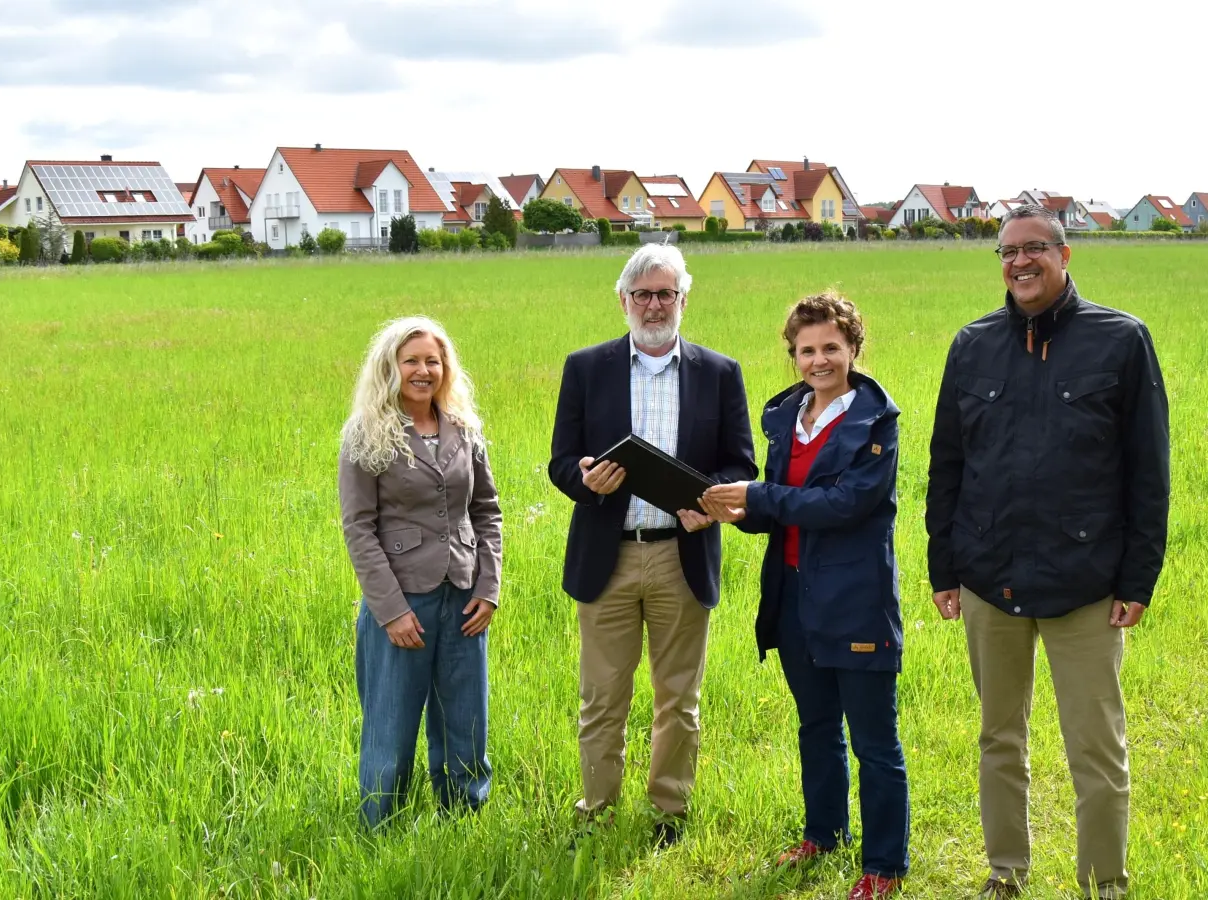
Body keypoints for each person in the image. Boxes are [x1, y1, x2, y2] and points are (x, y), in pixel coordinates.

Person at [926, 205, 1170, 899]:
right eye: (1007, 251)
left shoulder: (1121, 341)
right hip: (988, 579)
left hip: (1085, 584)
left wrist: (1138, 577)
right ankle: (1006, 874)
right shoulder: (971, 345)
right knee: (999, 739)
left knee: (1097, 750)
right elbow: (947, 466)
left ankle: (1104, 884)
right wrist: (944, 567)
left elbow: (1148, 472)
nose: (1019, 261)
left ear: (1066, 255)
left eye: (1035, 248)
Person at [702, 293, 909, 900]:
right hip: (791, 595)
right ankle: (824, 834)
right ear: (793, 355)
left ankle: (884, 867)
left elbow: (847, 504)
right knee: (816, 724)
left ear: (853, 349)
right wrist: (723, 511)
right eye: (807, 350)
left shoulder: (875, 423)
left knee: (874, 740)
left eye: (831, 348)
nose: (819, 360)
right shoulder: (786, 418)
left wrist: (757, 496)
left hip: (856, 597)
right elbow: (778, 511)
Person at [548, 244, 756, 847]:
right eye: (643, 294)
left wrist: (709, 503)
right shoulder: (586, 368)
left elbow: (739, 463)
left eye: (666, 293)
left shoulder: (720, 373)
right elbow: (560, 462)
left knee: (679, 699)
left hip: (680, 555)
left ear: (683, 300)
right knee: (602, 697)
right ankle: (597, 810)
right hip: (606, 557)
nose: (655, 305)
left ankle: (669, 812)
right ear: (623, 301)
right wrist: (584, 481)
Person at [338, 316, 503, 829]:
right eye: (411, 360)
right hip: (402, 600)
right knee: (391, 721)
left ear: (445, 367)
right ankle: (379, 821)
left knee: (466, 718)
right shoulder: (366, 433)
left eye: (433, 360)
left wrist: (489, 587)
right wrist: (390, 611)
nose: (423, 370)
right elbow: (359, 528)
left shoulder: (465, 429)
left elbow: (487, 511)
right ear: (391, 367)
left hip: (464, 595)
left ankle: (464, 815)